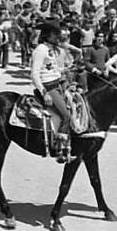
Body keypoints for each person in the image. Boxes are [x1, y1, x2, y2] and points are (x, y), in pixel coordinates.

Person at [30, 21, 73, 163]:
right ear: (47, 35)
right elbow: (35, 74)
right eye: (55, 34)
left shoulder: (51, 50)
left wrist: (66, 71)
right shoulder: (40, 50)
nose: (58, 37)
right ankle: (59, 149)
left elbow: (51, 70)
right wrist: (44, 93)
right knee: (66, 116)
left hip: (57, 85)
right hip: (49, 88)